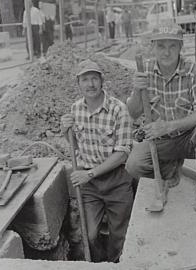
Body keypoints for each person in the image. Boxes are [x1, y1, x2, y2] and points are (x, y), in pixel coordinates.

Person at [125, 22, 196, 213]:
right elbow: (133, 112)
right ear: (153, 47)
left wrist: (169, 126)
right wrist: (137, 90)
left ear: (180, 48)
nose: (166, 52)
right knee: (134, 166)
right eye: (161, 46)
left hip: (188, 138)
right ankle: (171, 170)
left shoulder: (193, 70)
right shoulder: (145, 71)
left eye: (172, 46)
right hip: (161, 142)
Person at [61, 59, 134, 262]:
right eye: (85, 79)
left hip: (117, 180)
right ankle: (101, 263)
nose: (90, 84)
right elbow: (75, 144)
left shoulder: (119, 109)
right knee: (89, 234)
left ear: (102, 82)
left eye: (94, 78)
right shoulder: (75, 109)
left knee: (119, 236)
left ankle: (116, 263)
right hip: (90, 186)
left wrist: (89, 173)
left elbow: (122, 154)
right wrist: (65, 130)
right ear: (79, 84)